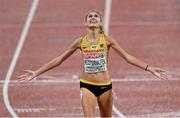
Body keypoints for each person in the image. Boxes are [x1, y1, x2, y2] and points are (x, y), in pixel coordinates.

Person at [18, 9, 168, 117]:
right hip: (87, 85)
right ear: (85, 22)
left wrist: (150, 68)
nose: (93, 18)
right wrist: (36, 73)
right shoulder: (79, 42)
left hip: (105, 86)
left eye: (96, 16)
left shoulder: (107, 40)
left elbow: (127, 57)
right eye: (90, 16)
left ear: (100, 21)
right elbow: (59, 59)